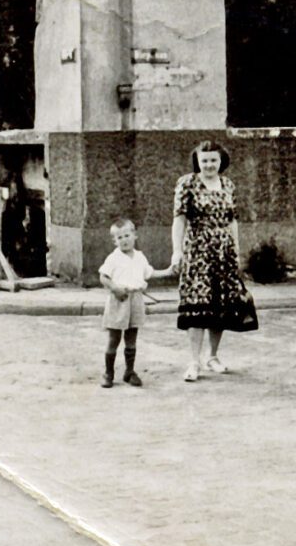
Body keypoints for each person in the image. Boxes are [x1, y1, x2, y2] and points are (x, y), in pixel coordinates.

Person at [171, 140, 257, 382]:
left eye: (213, 160)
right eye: (204, 160)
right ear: (197, 161)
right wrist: (176, 251)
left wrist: (236, 251)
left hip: (224, 252)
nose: (209, 165)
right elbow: (179, 220)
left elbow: (233, 221)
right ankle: (193, 362)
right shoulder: (186, 183)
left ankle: (213, 356)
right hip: (197, 251)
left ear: (221, 162)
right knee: (197, 305)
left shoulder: (228, 184)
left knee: (219, 306)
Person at [98, 217, 173, 388]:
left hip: (136, 299)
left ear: (135, 236)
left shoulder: (140, 257)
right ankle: (108, 373)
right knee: (114, 338)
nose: (124, 240)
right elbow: (103, 276)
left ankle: (129, 372)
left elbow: (149, 273)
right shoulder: (113, 258)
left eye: (127, 235)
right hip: (119, 299)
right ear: (114, 241)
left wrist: (168, 271)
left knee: (131, 338)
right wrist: (115, 288)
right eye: (120, 237)